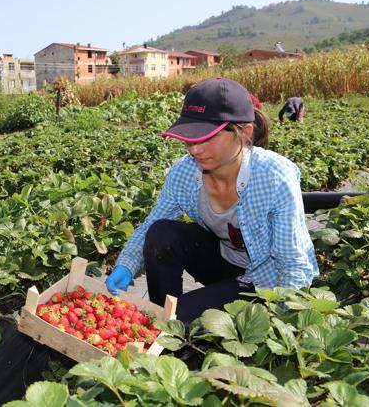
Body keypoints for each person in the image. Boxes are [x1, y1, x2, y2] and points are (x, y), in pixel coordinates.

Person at [105, 78, 318, 322]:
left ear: (244, 132)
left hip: (264, 279)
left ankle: (173, 326)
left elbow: (292, 263)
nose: (194, 150)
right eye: (188, 138)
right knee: (161, 233)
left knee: (182, 317)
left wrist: (285, 317)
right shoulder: (185, 172)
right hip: (221, 263)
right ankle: (163, 323)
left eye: (206, 138)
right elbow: (153, 223)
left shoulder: (273, 176)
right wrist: (127, 263)